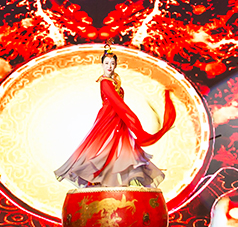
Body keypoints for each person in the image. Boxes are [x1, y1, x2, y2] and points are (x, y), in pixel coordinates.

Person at [54, 45, 176, 188]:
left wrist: (127, 119)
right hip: (108, 119)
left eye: (112, 63)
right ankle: (95, 180)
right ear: (102, 65)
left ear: (116, 65)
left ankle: (127, 181)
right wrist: (132, 119)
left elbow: (120, 104)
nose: (109, 66)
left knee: (125, 151)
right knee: (103, 151)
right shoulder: (105, 82)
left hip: (119, 120)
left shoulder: (115, 83)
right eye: (106, 63)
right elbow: (118, 103)